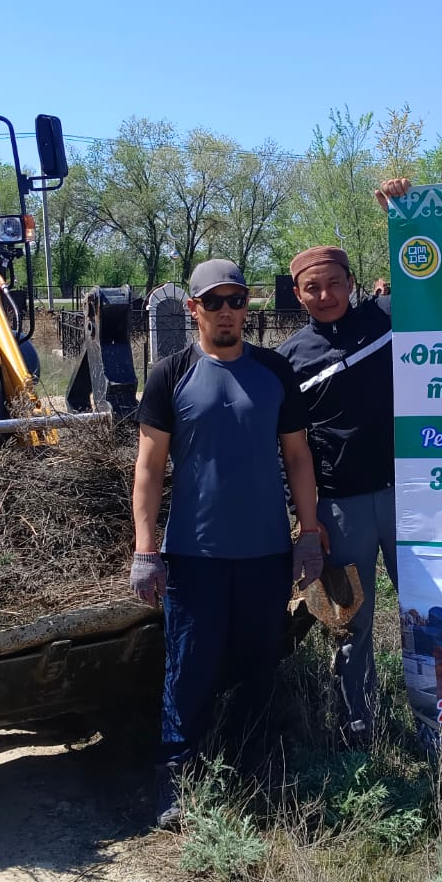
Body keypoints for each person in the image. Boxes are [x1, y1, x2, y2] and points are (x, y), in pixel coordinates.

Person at [130, 258, 325, 828]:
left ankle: (251, 765)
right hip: (196, 557)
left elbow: (298, 457)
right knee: (189, 668)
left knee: (259, 666)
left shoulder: (273, 372)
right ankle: (176, 779)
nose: (226, 312)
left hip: (266, 554)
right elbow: (149, 468)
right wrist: (145, 550)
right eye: (213, 302)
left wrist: (309, 534)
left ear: (247, 307)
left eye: (236, 300)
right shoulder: (170, 374)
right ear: (194, 309)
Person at [276, 234, 397, 747]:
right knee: (349, 619)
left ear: (352, 282)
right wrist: (307, 521)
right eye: (312, 288)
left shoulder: (386, 320)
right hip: (338, 510)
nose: (325, 295)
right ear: (297, 294)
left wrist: (401, 218)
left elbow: (432, 279)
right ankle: (357, 723)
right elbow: (290, 449)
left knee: (427, 609)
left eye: (334, 284)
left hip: (409, 499)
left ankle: (441, 712)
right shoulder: (288, 360)